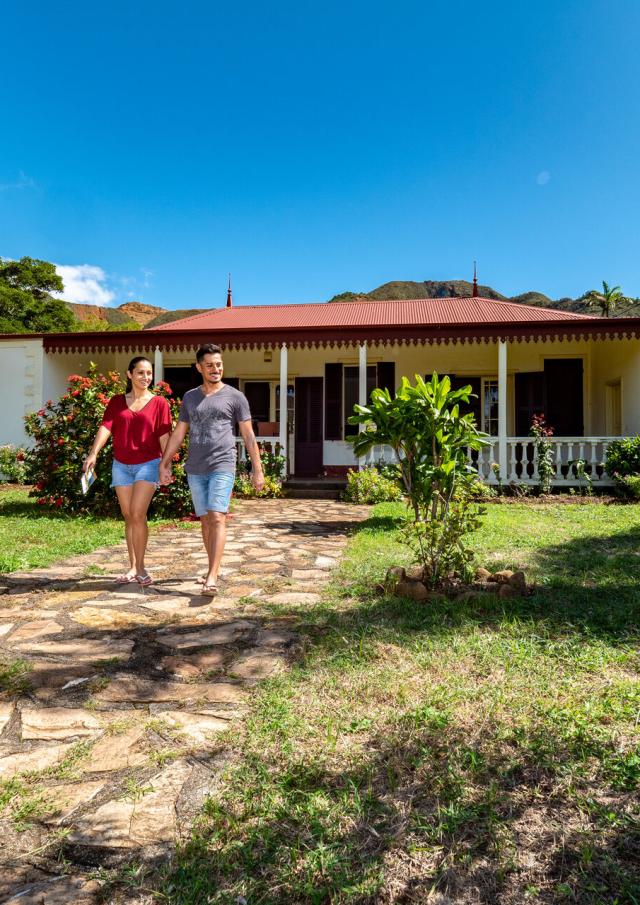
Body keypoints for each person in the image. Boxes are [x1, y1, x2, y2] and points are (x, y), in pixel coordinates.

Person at [159, 343, 264, 597]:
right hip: (195, 467)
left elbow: (248, 436)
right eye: (210, 365)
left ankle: (213, 576)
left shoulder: (235, 397)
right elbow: (179, 434)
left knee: (217, 516)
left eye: (218, 364)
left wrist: (257, 469)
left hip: (222, 464)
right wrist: (164, 463)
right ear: (199, 368)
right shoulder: (190, 398)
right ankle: (210, 569)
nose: (215, 369)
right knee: (205, 520)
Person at [83, 356, 172, 586]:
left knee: (137, 514)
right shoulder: (116, 402)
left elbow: (164, 436)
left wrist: (166, 464)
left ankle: (141, 568)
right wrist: (93, 453)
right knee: (128, 516)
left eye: (149, 373)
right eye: (141, 372)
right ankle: (132, 566)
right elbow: (106, 427)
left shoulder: (160, 403)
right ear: (129, 374)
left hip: (148, 463)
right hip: (121, 465)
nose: (146, 377)